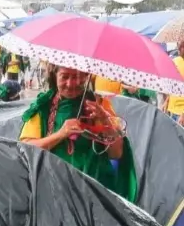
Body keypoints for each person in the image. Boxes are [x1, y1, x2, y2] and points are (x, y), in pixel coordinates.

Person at [19, 65, 136, 202]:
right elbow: (25, 148)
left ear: (86, 76)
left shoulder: (99, 105)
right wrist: (61, 134)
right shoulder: (43, 106)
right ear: (54, 76)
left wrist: (105, 121)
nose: (70, 84)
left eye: (76, 77)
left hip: (94, 193)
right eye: (65, 77)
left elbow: (116, 154)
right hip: (54, 190)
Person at [161, 41, 184, 123]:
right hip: (172, 109)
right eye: (180, 47)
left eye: (181, 47)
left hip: (181, 112)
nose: (179, 49)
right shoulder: (176, 61)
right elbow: (174, 85)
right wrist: (166, 101)